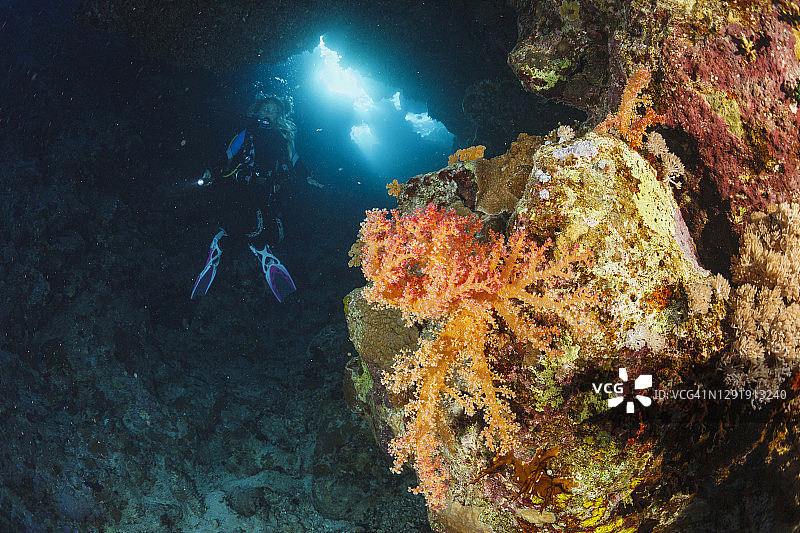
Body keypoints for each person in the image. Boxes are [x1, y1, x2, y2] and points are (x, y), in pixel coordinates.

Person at [190, 95, 312, 302]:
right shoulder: (248, 132)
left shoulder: (285, 137)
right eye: (264, 109)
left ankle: (254, 247)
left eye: (272, 110)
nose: (267, 113)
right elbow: (228, 154)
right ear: (257, 112)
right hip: (243, 188)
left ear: (280, 115)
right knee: (244, 222)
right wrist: (211, 170)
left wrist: (308, 177)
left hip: (268, 191)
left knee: (274, 233)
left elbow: (295, 160)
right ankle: (225, 241)